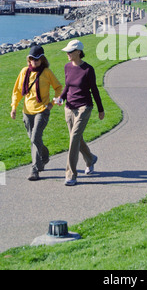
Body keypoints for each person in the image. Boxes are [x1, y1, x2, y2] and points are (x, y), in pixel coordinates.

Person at [54, 40, 105, 187]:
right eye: (67, 52)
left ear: (78, 52)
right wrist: (61, 98)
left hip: (84, 107)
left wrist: (101, 109)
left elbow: (94, 90)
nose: (67, 54)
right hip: (69, 107)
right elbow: (67, 86)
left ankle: (71, 174)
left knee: (74, 139)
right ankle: (90, 159)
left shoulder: (88, 69)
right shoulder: (67, 67)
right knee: (75, 138)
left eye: (70, 52)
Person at [11, 45, 62, 181]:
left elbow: (59, 88)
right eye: (32, 59)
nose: (34, 61)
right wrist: (14, 107)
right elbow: (17, 91)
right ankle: (44, 156)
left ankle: (34, 170)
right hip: (27, 111)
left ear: (42, 59)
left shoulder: (47, 72)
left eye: (37, 59)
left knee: (35, 139)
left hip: (42, 111)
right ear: (29, 59)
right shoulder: (24, 72)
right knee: (34, 139)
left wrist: (53, 104)